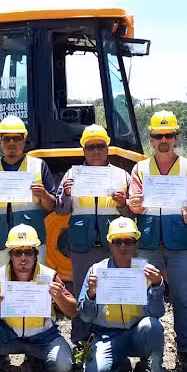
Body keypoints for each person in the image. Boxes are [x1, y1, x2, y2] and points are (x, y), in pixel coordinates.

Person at [127, 110, 187, 372]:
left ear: (176, 137)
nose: (163, 140)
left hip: (180, 242)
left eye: (168, 135)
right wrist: (134, 205)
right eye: (158, 136)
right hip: (148, 242)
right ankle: (147, 353)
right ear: (151, 139)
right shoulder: (140, 168)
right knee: (147, 297)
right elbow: (134, 202)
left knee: (181, 299)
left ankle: (185, 353)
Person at [0, 224, 76, 372]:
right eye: (17, 253)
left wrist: (60, 297)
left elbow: (73, 310)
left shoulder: (49, 276)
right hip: (7, 335)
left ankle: (39, 365)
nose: (23, 258)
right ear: (10, 255)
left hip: (43, 337)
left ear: (36, 254)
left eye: (28, 252)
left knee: (63, 364)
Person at [55, 124, 131, 346]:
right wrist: (67, 194)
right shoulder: (72, 175)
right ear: (84, 150)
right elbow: (60, 209)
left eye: (100, 146)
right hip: (82, 245)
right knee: (83, 292)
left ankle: (111, 339)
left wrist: (123, 204)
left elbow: (133, 213)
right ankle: (81, 341)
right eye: (90, 147)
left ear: (107, 148)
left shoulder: (121, 175)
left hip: (114, 246)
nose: (96, 151)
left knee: (112, 292)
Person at [78, 217, 165, 372]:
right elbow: (85, 317)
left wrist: (157, 285)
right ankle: (119, 362)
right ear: (110, 244)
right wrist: (91, 294)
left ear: (136, 244)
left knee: (152, 325)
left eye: (129, 241)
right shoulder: (96, 271)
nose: (123, 246)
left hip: (137, 334)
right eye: (118, 241)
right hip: (107, 336)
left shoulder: (147, 271)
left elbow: (157, 312)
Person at [0, 116, 57, 276]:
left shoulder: (38, 166)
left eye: (16, 138)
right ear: (0, 142)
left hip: (31, 242)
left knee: (34, 285)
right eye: (7, 138)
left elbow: (51, 206)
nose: (11, 143)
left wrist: (44, 195)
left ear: (24, 141)